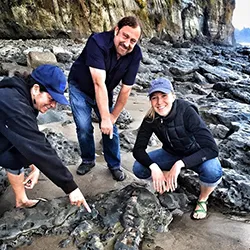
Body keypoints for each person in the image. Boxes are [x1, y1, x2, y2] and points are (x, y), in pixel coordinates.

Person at [0, 64, 91, 212]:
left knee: (17, 152)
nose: (53, 105)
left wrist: (34, 165)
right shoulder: (13, 104)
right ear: (36, 89)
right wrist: (71, 188)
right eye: (51, 98)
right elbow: (38, 146)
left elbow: (28, 139)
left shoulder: (22, 97)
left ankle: (21, 200)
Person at [132, 78, 223, 220]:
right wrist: (154, 167)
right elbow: (138, 150)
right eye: (154, 98)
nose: (159, 102)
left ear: (173, 96)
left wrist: (180, 164)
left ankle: (202, 199)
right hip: (171, 153)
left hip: (196, 154)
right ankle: (165, 178)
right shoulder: (151, 118)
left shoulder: (187, 111)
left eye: (164, 96)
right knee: (139, 168)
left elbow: (212, 149)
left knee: (213, 171)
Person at [68, 16, 142, 181]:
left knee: (112, 129)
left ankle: (114, 164)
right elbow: (97, 82)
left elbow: (126, 89)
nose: (128, 43)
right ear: (116, 30)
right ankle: (88, 160)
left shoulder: (135, 54)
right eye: (125, 36)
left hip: (105, 89)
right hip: (80, 87)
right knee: (84, 126)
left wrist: (112, 117)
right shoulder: (97, 42)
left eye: (133, 40)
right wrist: (105, 119)